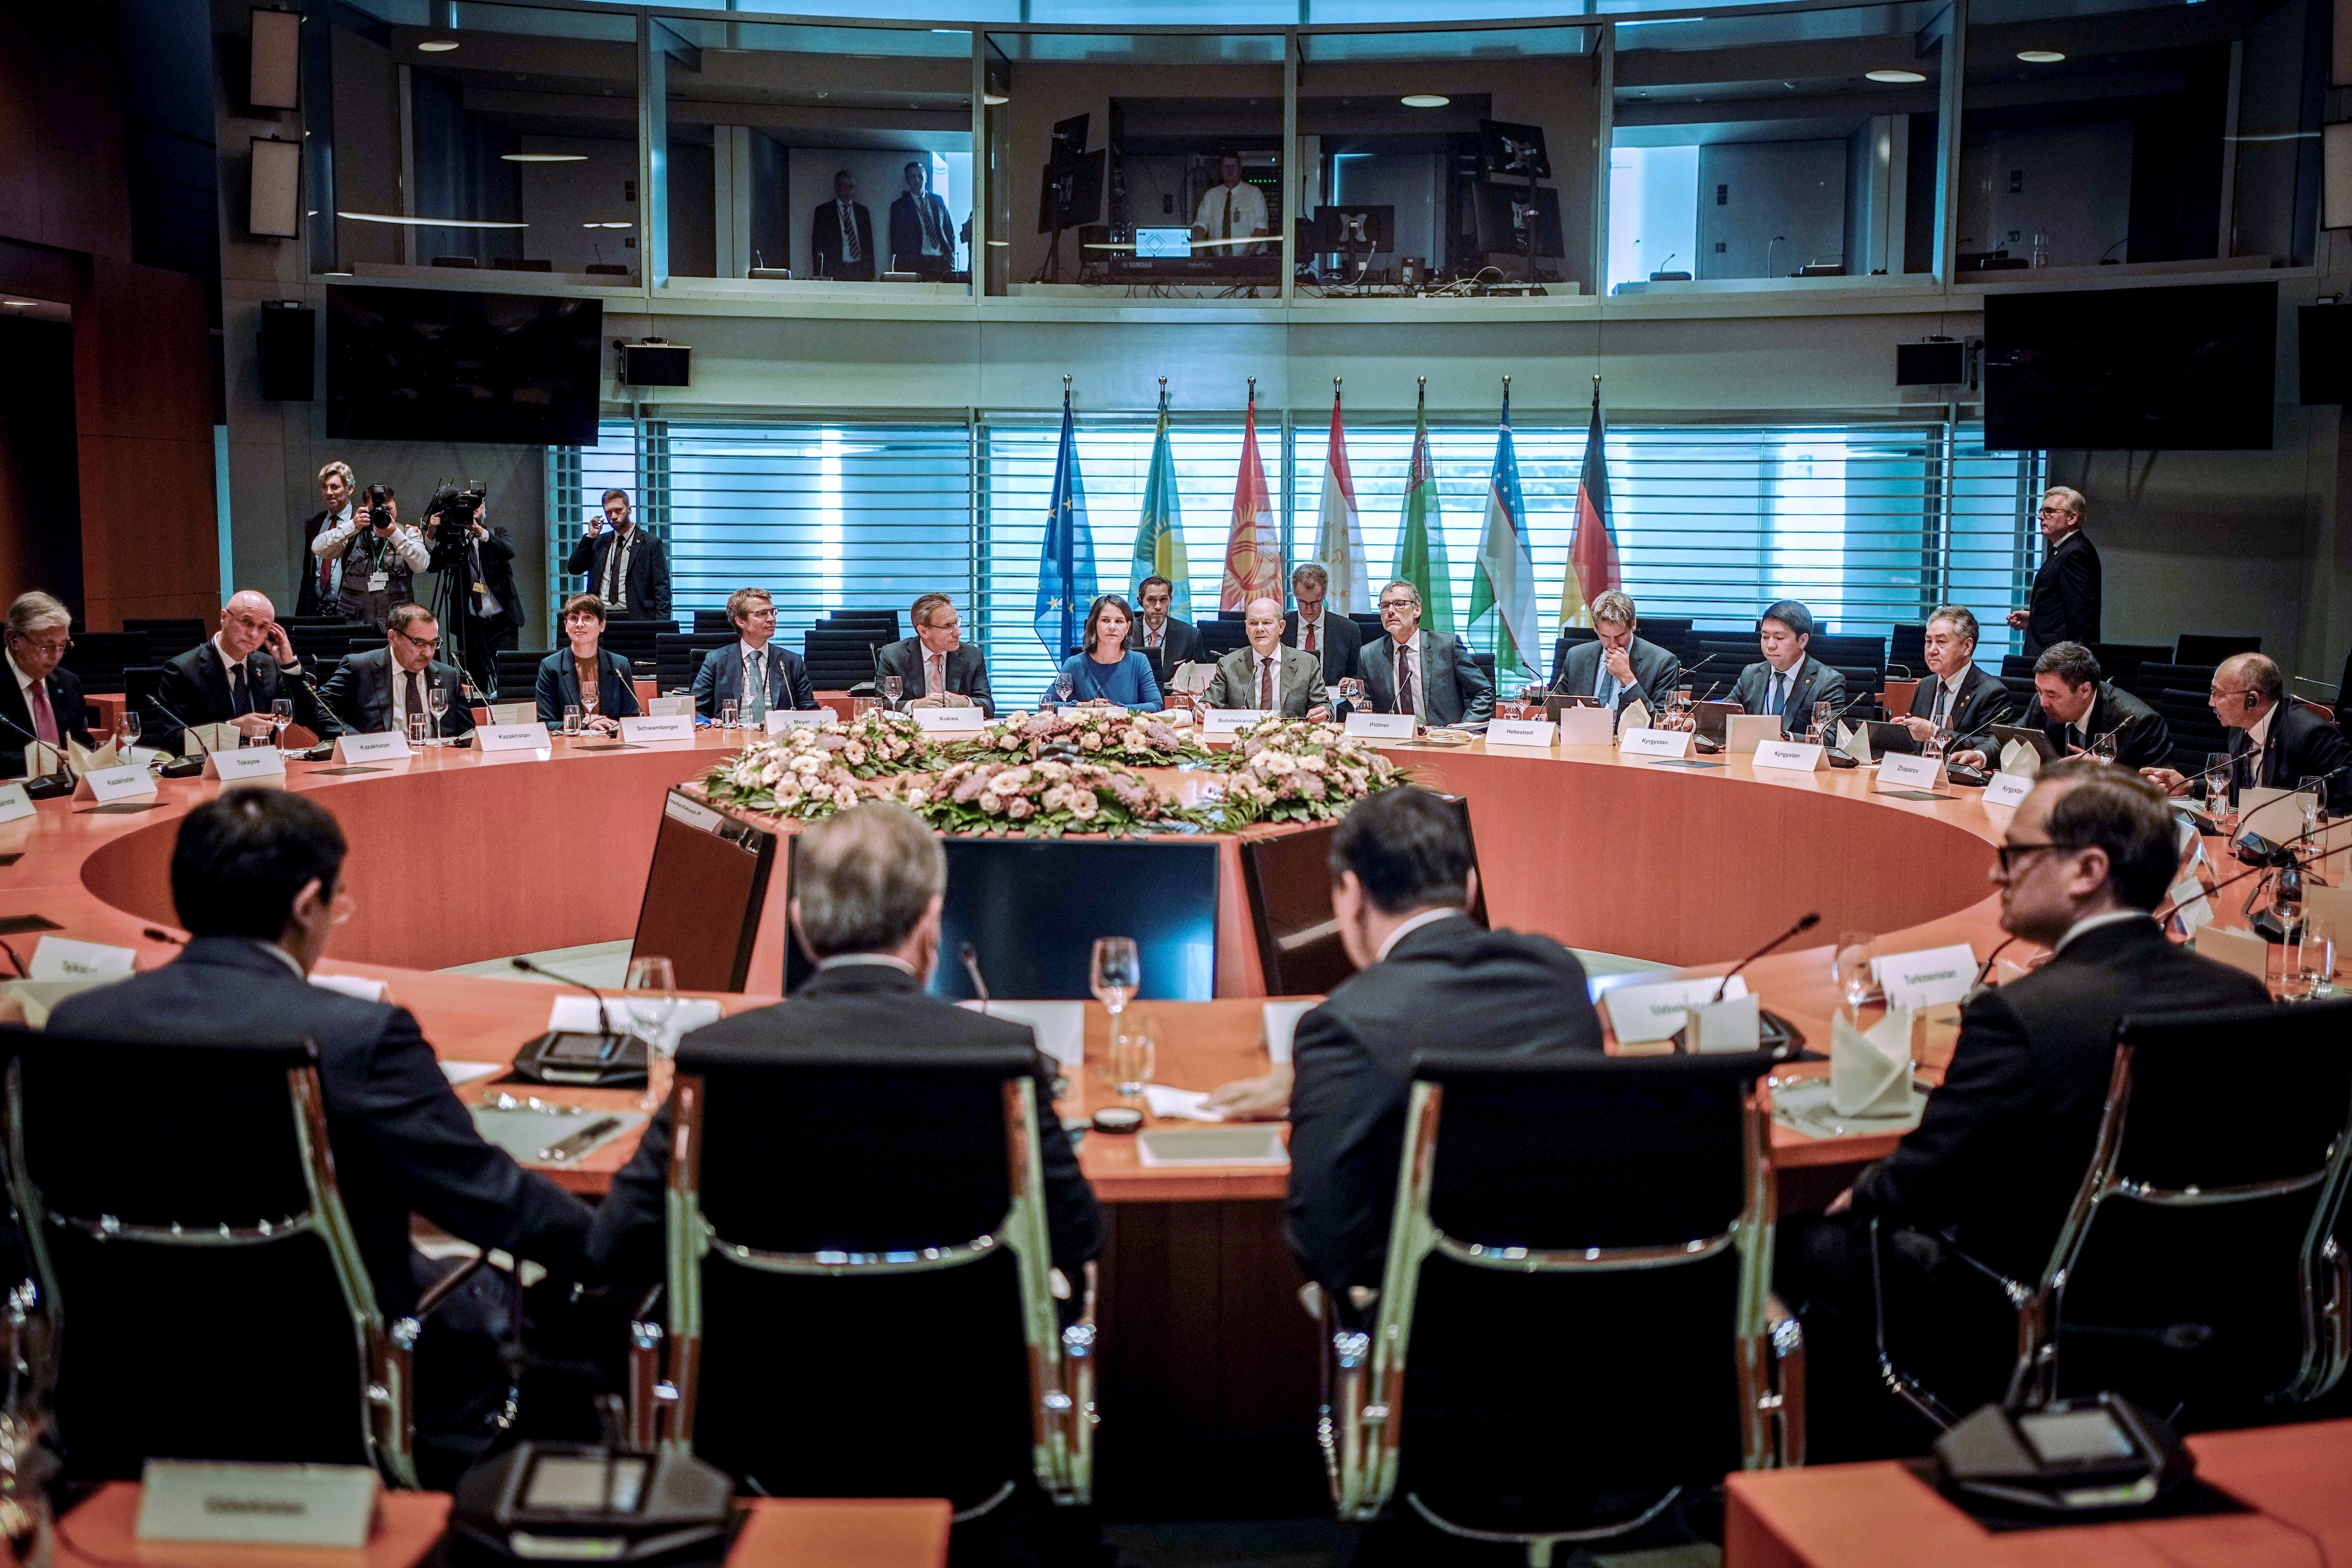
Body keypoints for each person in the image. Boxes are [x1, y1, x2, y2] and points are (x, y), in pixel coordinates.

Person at [48, 790, 593, 1476]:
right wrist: (612, 1244)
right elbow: (484, 1198)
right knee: (501, 1311)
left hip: (123, 1380)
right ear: (308, 905)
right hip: (317, 1378)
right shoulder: (358, 1037)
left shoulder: (77, 1025)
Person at [1775, 762, 2268, 1452]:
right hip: (2199, 1296)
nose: (1994, 875)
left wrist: (1855, 1197)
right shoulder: (2239, 996)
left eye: (2016, 855)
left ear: (2086, 870)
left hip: (2024, 1301)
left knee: (1798, 1244)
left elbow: (1922, 1180)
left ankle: (1832, 1471)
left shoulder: (2022, 1015)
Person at [588, 801, 1100, 1289]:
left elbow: (618, 1242)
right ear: (931, 923)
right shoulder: (1003, 1053)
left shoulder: (712, 1053)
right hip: (968, 1370)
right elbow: (1079, 1233)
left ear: (800, 924)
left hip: (752, 1371)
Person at [1269, 787, 1603, 1296]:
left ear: (1351, 894)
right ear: (1469, 886)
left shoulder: (1342, 1023)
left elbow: (1324, 1244)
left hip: (1429, 1340)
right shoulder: (1557, 975)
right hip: (1583, 1315)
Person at [2143, 651, 2352, 804]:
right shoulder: (2239, 729)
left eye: (2219, 694)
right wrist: (2189, 785)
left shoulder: (2312, 736)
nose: (2211, 702)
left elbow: (2340, 807)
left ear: (2252, 700)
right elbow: (2239, 790)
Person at [152, 590, 335, 755]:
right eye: (246, 622)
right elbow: (171, 741)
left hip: (262, 770)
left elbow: (307, 716)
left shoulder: (269, 666)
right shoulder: (182, 670)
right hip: (208, 774)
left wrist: (289, 665)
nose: (254, 634)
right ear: (224, 618)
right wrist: (232, 728)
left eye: (263, 627)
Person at [1952, 643, 2166, 773]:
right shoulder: (2041, 704)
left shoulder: (2136, 722)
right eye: (2039, 690)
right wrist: (1982, 755)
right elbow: (2013, 738)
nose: (2044, 702)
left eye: (2052, 694)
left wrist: (2105, 775)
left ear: (2084, 690)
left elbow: (2156, 787)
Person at [319, 602, 476, 740]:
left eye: (433, 643)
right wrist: (355, 741)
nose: (428, 653)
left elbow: (468, 735)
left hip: (436, 764)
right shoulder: (359, 668)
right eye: (420, 643)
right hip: (380, 763)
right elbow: (319, 709)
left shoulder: (448, 676)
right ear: (393, 638)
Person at [423, 489, 523, 697]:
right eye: (466, 505)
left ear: (485, 508)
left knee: (507, 678)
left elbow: (508, 551)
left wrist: (478, 531)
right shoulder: (453, 540)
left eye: (477, 504)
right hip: (470, 624)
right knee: (475, 683)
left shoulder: (496, 533)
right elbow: (433, 566)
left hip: (502, 621)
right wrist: (432, 534)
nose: (473, 509)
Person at [1355, 580, 1494, 727]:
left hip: (1443, 739)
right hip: (1393, 738)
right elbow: (1366, 705)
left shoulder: (1447, 646)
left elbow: (1484, 692)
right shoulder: (1369, 654)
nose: (1390, 611)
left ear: (1417, 610)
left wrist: (1462, 728)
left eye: (1399, 604)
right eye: (1384, 606)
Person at [1890, 604, 2016, 755]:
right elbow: (1917, 744)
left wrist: (1935, 732)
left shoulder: (1992, 693)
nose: (1932, 650)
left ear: (1967, 646)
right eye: (1929, 641)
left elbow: (1992, 746)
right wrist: (1900, 733)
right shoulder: (1926, 685)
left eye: (1941, 642)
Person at [1549, 589, 1682, 727]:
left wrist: (1627, 679)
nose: (1613, 644)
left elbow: (1661, 724)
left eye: (1620, 636)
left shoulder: (1663, 662)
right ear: (1595, 628)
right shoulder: (1576, 657)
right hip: (1583, 741)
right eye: (1605, 636)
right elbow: (1560, 711)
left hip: (1632, 744)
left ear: (1634, 624)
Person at [314, 483, 429, 631]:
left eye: (389, 510)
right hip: (355, 622)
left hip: (396, 624)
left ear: (396, 505)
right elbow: (318, 548)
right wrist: (352, 525)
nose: (384, 514)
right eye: (375, 511)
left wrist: (395, 535)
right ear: (365, 509)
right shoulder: (353, 536)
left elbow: (422, 565)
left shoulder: (407, 534)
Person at [692, 587, 815, 726]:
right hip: (732, 737)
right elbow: (695, 710)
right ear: (740, 621)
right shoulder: (716, 660)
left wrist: (824, 715)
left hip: (779, 737)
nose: (771, 619)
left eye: (773, 612)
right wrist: (709, 722)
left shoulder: (791, 661)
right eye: (761, 614)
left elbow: (808, 708)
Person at [0, 591, 92, 774]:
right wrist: (38, 761)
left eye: (63, 646)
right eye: (47, 647)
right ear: (14, 640)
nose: (56, 656)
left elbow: (81, 742)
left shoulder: (68, 683)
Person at [1730, 599, 1847, 739]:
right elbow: (1724, 714)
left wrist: (1786, 738)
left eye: (1779, 638)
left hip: (1797, 758)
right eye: (1765, 637)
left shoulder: (1827, 682)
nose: (1770, 645)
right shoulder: (1751, 674)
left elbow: (1829, 738)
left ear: (1802, 641)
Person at [2008, 485, 2100, 660]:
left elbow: (2081, 618)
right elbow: (2061, 606)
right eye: (2041, 510)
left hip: (2059, 662)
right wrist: (2033, 618)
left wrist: (2075, 666)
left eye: (2049, 511)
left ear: (2072, 518)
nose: (2041, 516)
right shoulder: (2062, 549)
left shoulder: (2076, 553)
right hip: (2049, 656)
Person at [1201, 597, 1327, 718]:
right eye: (1253, 623)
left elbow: (1323, 705)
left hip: (1290, 736)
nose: (1259, 629)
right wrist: (1201, 710)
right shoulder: (1228, 664)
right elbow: (1209, 703)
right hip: (1243, 735)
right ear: (1246, 628)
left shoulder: (1307, 663)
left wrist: (1320, 713)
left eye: (1267, 623)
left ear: (1281, 627)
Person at [536, 594, 640, 735]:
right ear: (566, 626)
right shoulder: (551, 666)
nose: (579, 624)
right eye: (573, 618)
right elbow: (546, 723)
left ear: (602, 626)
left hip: (611, 744)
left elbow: (631, 717)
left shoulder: (619, 665)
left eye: (587, 618)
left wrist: (610, 727)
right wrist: (587, 724)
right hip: (569, 747)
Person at [563, 489, 671, 624]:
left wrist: (662, 625)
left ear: (629, 509)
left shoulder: (650, 543)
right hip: (600, 617)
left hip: (637, 617)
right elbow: (574, 568)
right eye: (608, 512)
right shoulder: (599, 542)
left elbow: (662, 588)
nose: (613, 516)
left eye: (618, 510)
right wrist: (590, 537)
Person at [877, 593, 994, 716]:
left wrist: (965, 702)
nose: (958, 632)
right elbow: (881, 704)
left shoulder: (972, 656)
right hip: (914, 731)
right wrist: (914, 706)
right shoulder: (893, 656)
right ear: (924, 631)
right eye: (947, 626)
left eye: (956, 623)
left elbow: (988, 706)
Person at [1053, 594, 1163, 709]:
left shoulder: (1139, 662)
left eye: (1119, 621)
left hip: (1126, 726)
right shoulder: (1074, 664)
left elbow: (1156, 705)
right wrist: (1082, 706)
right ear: (1094, 625)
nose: (1112, 627)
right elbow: (1046, 704)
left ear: (1127, 627)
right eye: (1106, 620)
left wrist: (1118, 711)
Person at [1284, 563, 1361, 685]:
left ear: (1324, 597)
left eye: (1315, 603)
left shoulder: (1348, 630)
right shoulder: (1280, 627)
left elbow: (1357, 675)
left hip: (1333, 702)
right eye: (1302, 602)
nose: (1309, 610)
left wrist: (1352, 682)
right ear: (1295, 596)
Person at [296, 460, 355, 620]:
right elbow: (308, 572)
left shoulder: (360, 520)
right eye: (324, 487)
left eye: (335, 487)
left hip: (351, 608)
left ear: (350, 489)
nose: (328, 493)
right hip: (317, 606)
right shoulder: (315, 523)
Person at [887, 160, 957, 280]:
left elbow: (949, 231)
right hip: (916, 263)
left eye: (920, 176)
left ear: (926, 177)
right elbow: (896, 238)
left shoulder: (937, 201)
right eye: (913, 177)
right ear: (907, 180)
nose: (917, 180)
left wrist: (951, 257)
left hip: (940, 261)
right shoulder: (900, 206)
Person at [1190, 151, 1268, 256]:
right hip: (1219, 262)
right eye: (1226, 166)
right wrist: (1201, 259)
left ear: (1240, 169)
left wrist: (1247, 256)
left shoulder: (1254, 194)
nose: (1230, 170)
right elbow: (1200, 226)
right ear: (1221, 170)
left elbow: (1261, 228)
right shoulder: (1211, 195)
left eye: (1233, 166)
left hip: (1251, 261)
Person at [811, 168, 876, 282]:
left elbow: (868, 245)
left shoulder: (862, 211)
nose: (847, 190)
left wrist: (871, 274)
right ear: (836, 187)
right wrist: (819, 273)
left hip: (859, 269)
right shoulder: (824, 211)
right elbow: (817, 245)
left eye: (851, 187)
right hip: (834, 270)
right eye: (844, 186)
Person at [1133, 574, 1203, 668]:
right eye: (1151, 600)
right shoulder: (1127, 632)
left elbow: (1200, 674)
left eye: (1163, 600)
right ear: (1140, 601)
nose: (1158, 606)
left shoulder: (1190, 636)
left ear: (1170, 600)